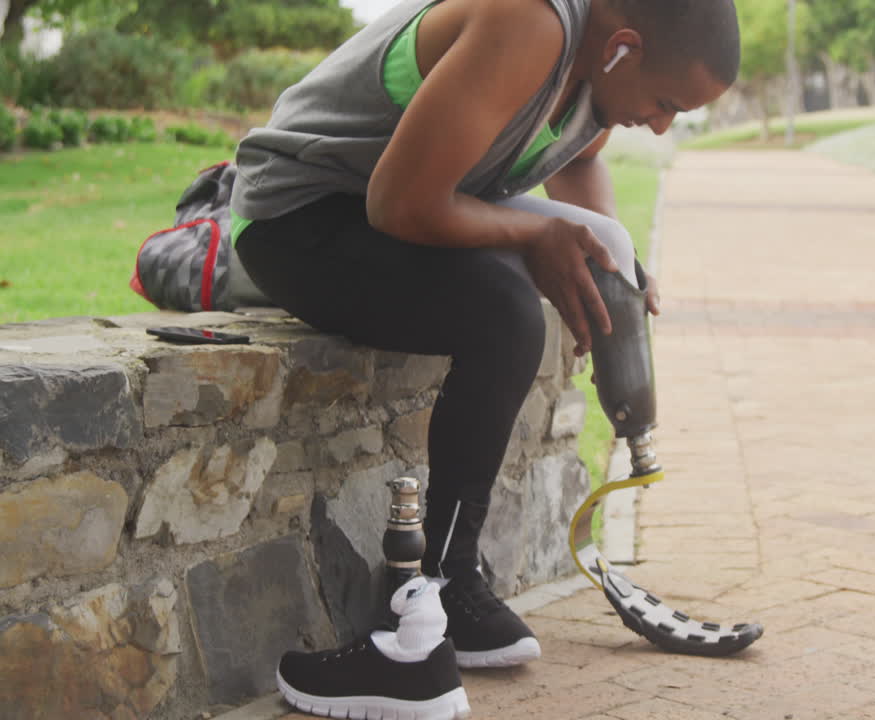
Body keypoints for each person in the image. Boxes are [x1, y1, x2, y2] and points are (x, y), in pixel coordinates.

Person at [230, 0, 739, 715]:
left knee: (506, 302)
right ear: (622, 47)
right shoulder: (530, 23)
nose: (661, 126)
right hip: (299, 213)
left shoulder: (598, 73)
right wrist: (535, 240)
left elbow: (577, 163)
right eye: (664, 104)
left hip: (382, 211)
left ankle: (447, 589)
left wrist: (606, 262)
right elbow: (400, 202)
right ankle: (413, 627)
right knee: (503, 313)